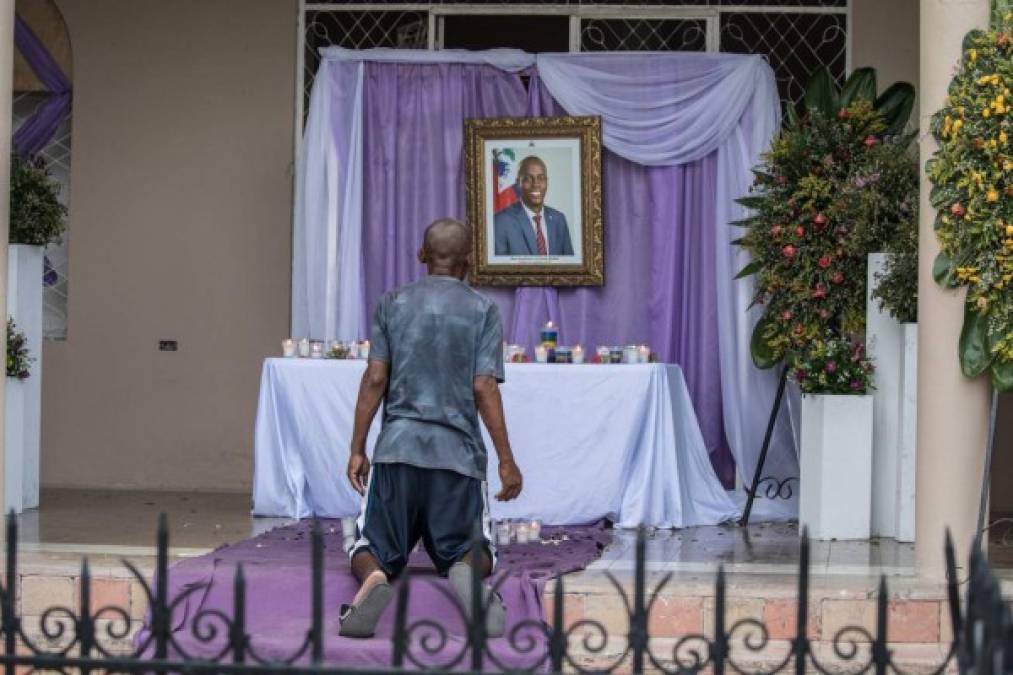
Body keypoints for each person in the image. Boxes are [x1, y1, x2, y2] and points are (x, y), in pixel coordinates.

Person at [338, 218, 524, 639]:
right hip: (456, 457)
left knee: (370, 546)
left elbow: (374, 379)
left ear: (422, 256)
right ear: (469, 261)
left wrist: (357, 447)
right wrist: (507, 461)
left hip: (398, 451)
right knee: (476, 549)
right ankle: (465, 574)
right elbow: (483, 387)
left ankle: (373, 581)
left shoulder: (392, 303)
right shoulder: (483, 310)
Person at [493, 156, 575, 257]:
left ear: (547, 182)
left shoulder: (559, 219)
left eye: (541, 178)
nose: (536, 184)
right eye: (528, 179)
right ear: (519, 183)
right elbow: (499, 270)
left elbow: (570, 266)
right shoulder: (501, 222)